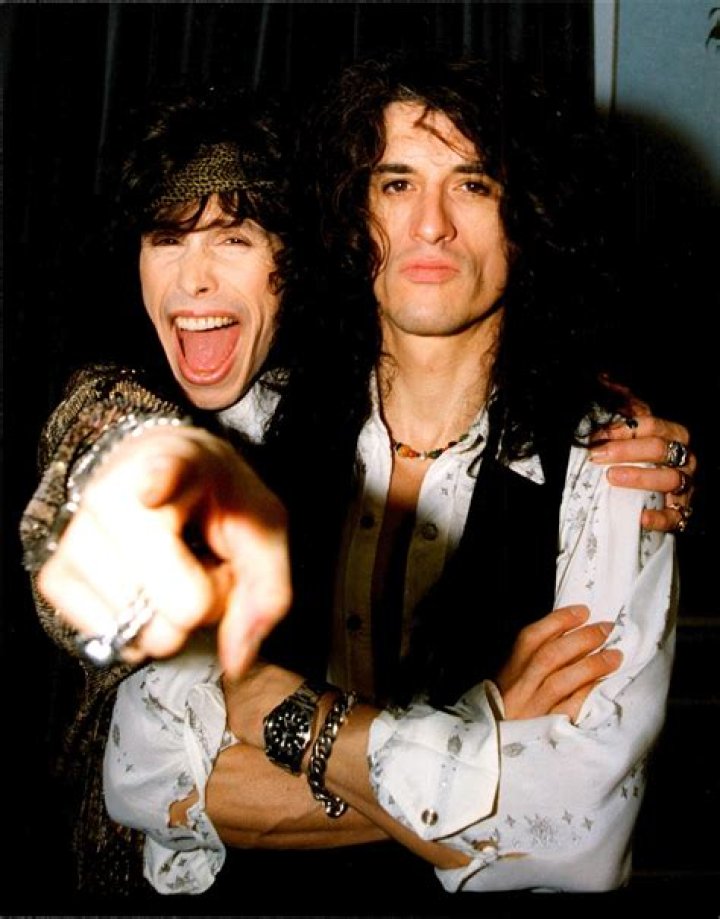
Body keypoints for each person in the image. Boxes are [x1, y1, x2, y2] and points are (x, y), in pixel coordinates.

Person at [22, 56, 694, 902]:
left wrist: (290, 717)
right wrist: (485, 740)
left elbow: (579, 836)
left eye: (474, 184)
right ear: (351, 209)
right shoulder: (251, 424)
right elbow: (143, 776)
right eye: (397, 183)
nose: (431, 225)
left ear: (525, 215)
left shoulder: (612, 464)